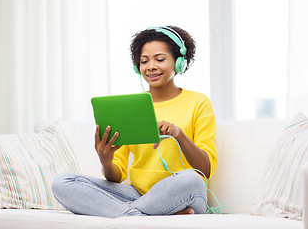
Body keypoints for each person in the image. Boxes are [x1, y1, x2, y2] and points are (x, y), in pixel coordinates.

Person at [52, 26, 218, 218]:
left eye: (160, 59)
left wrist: (178, 135)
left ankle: (129, 214)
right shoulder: (132, 107)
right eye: (144, 61)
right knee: (63, 182)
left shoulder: (199, 102)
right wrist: (105, 161)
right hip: (138, 194)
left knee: (190, 178)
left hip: (185, 192)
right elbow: (116, 175)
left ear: (179, 62)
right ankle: (143, 216)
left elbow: (204, 170)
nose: (151, 66)